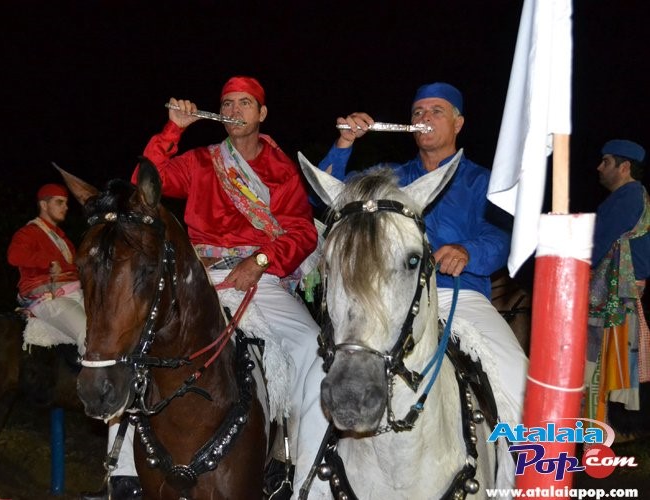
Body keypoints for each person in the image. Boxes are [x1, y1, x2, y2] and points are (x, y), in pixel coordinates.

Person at [132, 75, 329, 498]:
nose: (234, 110)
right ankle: (126, 472)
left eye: (244, 103)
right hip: (198, 279)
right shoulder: (201, 161)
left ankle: (306, 473)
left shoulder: (282, 170)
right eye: (227, 103)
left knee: (317, 353)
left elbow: (302, 232)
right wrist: (173, 130)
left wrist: (260, 261)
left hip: (260, 278)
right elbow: (145, 185)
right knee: (136, 343)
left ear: (262, 113)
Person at [317, 82, 529, 424]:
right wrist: (345, 143)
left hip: (457, 295)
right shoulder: (389, 177)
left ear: (458, 124)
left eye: (436, 111)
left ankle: (536, 455)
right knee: (327, 369)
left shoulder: (483, 181)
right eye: (418, 112)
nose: (424, 117)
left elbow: (502, 235)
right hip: (387, 298)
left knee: (517, 377)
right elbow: (326, 195)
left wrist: (467, 250)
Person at [7, 184, 141, 500]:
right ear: (43, 204)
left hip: (70, 294)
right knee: (91, 337)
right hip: (46, 298)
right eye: (59, 202)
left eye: (66, 203)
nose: (65, 207)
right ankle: (101, 386)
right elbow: (14, 256)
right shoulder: (29, 233)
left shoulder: (63, 237)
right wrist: (47, 262)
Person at [585, 139, 650, 425]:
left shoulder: (628, 198)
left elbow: (594, 248)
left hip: (611, 297)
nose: (599, 167)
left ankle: (594, 442)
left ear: (624, 167)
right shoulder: (632, 196)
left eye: (606, 161)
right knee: (596, 373)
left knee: (592, 372)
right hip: (616, 294)